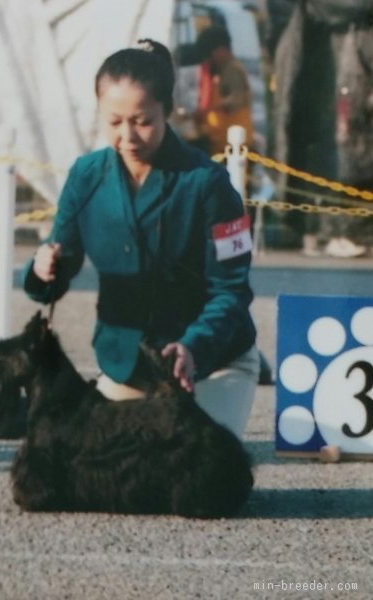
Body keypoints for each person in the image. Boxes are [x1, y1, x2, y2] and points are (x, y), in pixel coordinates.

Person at [21, 39, 260, 440]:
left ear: (168, 110)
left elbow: (231, 291)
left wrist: (193, 348)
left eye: (142, 120)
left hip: (212, 362)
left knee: (199, 485)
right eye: (113, 122)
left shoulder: (209, 184)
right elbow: (57, 271)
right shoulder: (84, 176)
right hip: (127, 365)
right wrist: (43, 268)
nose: (128, 135)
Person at [189, 25, 254, 156]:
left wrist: (209, 108)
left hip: (234, 148)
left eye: (210, 54)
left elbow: (238, 99)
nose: (208, 60)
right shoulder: (220, 71)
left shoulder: (232, 70)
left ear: (222, 50)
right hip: (221, 145)